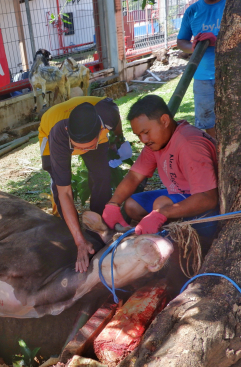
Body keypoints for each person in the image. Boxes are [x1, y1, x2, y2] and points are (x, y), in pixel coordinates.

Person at [103, 95, 219, 238]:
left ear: (164, 121)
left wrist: (162, 214)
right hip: (182, 195)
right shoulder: (157, 143)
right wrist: (113, 204)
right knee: (132, 205)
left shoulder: (189, 144)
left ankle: (178, 246)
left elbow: (208, 198)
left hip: (209, 212)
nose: (143, 140)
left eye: (146, 132)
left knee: (161, 204)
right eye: (139, 135)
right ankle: (165, 232)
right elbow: (134, 176)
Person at [45, 97, 128, 272]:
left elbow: (117, 121)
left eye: (88, 147)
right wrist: (79, 241)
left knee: (102, 175)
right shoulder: (58, 134)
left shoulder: (107, 114)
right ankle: (72, 233)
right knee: (57, 179)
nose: (82, 152)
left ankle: (98, 225)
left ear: (101, 129)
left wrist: (117, 138)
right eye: (78, 148)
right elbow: (65, 192)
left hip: (93, 126)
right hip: (51, 126)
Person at [176, 0, 226, 138]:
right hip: (202, 77)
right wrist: (193, 46)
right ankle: (216, 155)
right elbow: (181, 41)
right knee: (208, 122)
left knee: (234, 118)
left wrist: (217, 40)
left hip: (231, 76)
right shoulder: (192, 10)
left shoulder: (231, 6)